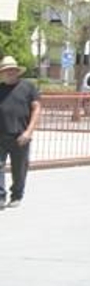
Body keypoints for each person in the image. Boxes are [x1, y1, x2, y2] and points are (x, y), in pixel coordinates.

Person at [0, 57, 41, 209]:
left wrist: (29, 132)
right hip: (1, 136)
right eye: (6, 71)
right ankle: (1, 197)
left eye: (12, 70)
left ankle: (17, 195)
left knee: (19, 170)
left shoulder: (28, 87)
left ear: (17, 71)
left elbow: (36, 108)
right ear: (2, 73)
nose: (9, 73)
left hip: (21, 136)